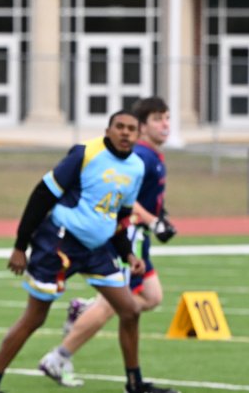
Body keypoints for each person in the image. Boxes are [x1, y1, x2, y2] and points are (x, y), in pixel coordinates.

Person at [0, 110, 180, 393]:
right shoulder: (86, 154)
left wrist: (128, 255)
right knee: (35, 317)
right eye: (119, 126)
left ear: (138, 134)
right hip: (59, 244)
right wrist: (21, 246)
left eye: (131, 128)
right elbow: (43, 194)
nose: (125, 132)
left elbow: (121, 215)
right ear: (108, 130)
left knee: (130, 311)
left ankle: (135, 384)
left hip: (97, 249)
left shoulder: (135, 167)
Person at [39, 97, 178, 387]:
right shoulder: (140, 157)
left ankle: (83, 308)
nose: (165, 125)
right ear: (142, 127)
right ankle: (58, 357)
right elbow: (125, 202)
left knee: (151, 296)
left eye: (167, 118)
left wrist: (160, 216)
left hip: (139, 238)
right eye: (157, 119)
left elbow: (145, 198)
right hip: (126, 235)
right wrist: (154, 221)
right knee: (113, 304)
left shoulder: (154, 157)